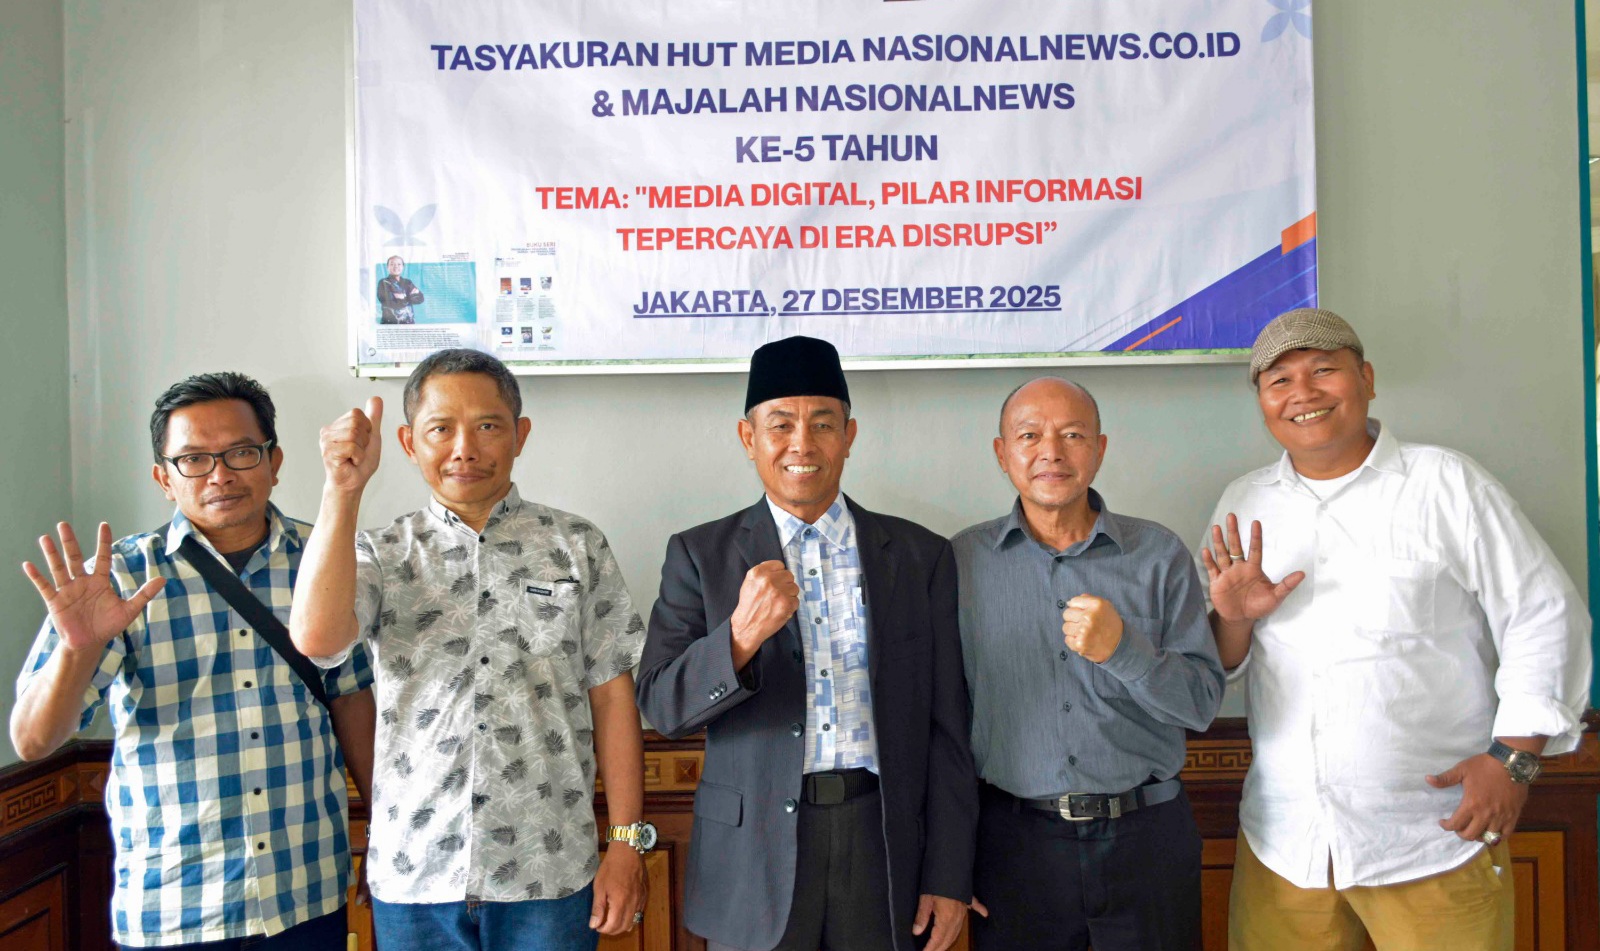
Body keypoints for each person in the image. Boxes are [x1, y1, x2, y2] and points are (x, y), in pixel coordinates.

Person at [1200, 307, 1592, 950]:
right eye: (1279, 381)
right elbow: (1223, 660)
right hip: (1287, 845)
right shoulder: (1244, 502)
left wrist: (1513, 760)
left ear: (1367, 379)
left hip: (1433, 836)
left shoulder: (1448, 483)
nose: (1303, 393)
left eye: (1323, 370)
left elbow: (1543, 614)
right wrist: (1233, 619)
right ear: (1263, 403)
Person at [289, 348, 650, 950]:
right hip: (417, 873)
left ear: (520, 434)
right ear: (408, 442)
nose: (464, 448)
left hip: (550, 870)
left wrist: (626, 842)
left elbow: (613, 698)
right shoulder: (381, 552)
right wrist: (342, 490)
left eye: (487, 426)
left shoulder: (576, 545)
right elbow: (317, 639)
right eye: (440, 429)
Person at [10, 372, 376, 950]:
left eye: (241, 452)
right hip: (176, 905)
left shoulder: (326, 559)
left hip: (305, 894)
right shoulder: (122, 579)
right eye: (193, 460)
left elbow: (352, 697)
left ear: (275, 461)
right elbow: (33, 741)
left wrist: (382, 828)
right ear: (164, 478)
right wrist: (78, 650)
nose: (220, 475)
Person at [635, 335, 978, 951]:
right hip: (752, 854)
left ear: (849, 435)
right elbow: (662, 707)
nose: (802, 443)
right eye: (781, 425)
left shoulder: (919, 555)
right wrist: (739, 637)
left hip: (881, 840)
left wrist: (949, 874)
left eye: (823, 424)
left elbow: (948, 727)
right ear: (748, 438)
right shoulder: (700, 554)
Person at [952, 377, 1223, 951]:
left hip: (1146, 839)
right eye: (1030, 435)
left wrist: (1125, 651)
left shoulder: (1157, 555)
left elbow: (1200, 705)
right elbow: (939, 720)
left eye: (1073, 435)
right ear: (1002, 453)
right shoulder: (960, 563)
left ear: (1099, 449)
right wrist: (944, 860)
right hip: (1012, 846)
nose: (1051, 452)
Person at [378, 256, 424, 324]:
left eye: (399, 264)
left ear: (403, 267)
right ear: (387, 267)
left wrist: (402, 298)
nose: (396, 266)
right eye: (392, 264)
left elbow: (420, 299)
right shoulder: (383, 283)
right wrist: (409, 297)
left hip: (409, 323)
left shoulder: (408, 282)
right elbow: (389, 302)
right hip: (390, 324)